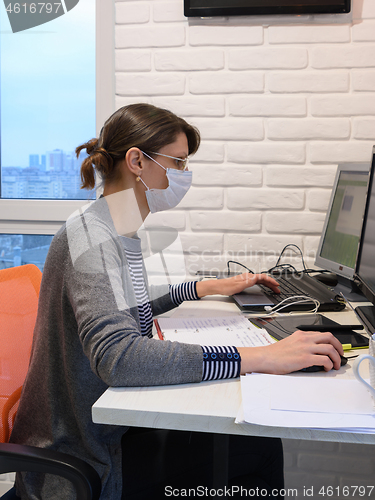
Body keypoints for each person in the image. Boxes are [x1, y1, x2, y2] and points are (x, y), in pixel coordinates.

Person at [10, 103, 343, 500]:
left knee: (249, 444)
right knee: (258, 451)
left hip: (109, 431)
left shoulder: (114, 225)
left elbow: (128, 308)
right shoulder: (93, 236)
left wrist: (202, 288)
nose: (184, 175)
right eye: (178, 163)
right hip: (91, 455)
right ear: (137, 160)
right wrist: (260, 358)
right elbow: (119, 357)